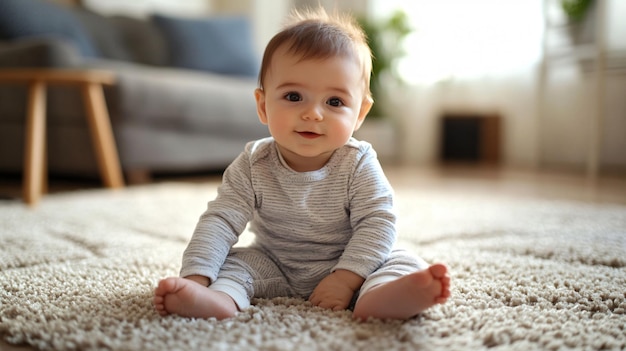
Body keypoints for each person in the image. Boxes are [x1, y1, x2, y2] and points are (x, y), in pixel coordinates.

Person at [154, 7, 450, 321]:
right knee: (234, 264)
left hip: (350, 261)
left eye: (334, 102)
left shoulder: (358, 162)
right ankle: (215, 300)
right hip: (273, 262)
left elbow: (378, 223)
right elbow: (220, 222)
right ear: (263, 105)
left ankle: (380, 298)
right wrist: (196, 278)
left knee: (401, 261)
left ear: (360, 114)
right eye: (294, 96)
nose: (313, 114)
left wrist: (346, 278)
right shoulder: (254, 163)